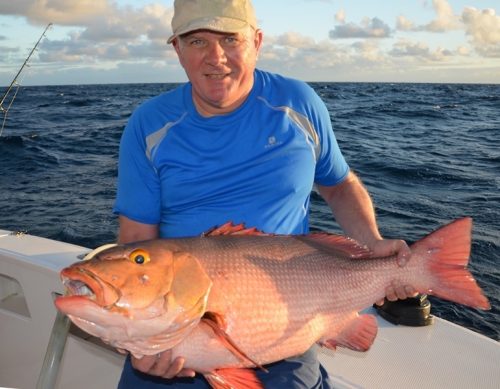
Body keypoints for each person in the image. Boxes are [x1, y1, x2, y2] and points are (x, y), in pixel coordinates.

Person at [113, 0, 417, 387]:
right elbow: (138, 239)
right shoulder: (149, 124)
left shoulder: (298, 104)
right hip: (177, 324)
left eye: (230, 39)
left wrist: (371, 243)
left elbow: (338, 185)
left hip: (289, 319)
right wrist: (143, 339)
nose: (215, 57)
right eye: (197, 41)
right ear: (177, 49)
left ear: (256, 42)